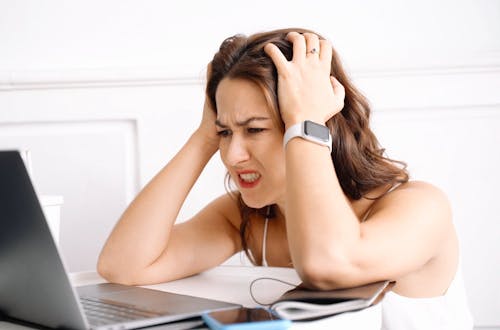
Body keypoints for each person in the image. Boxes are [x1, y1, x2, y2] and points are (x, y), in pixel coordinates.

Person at [97, 28, 473, 329]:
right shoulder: (245, 217)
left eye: (255, 130)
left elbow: (330, 265)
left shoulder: (420, 207)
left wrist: (305, 122)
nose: (231, 156)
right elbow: (124, 266)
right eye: (225, 133)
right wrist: (203, 136)